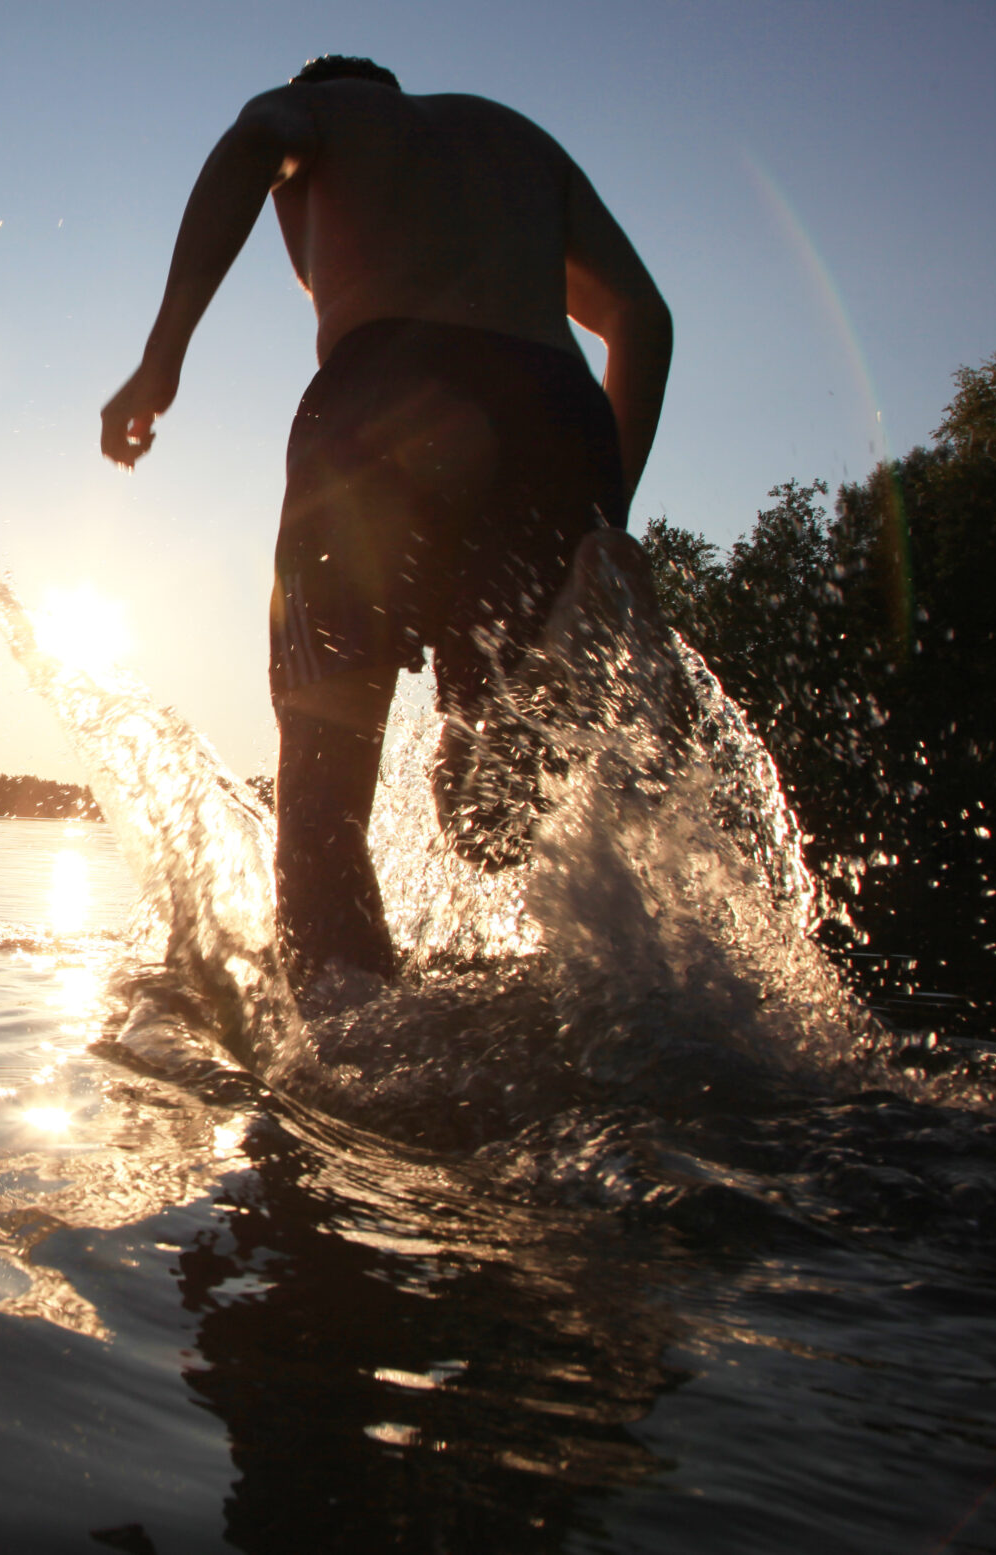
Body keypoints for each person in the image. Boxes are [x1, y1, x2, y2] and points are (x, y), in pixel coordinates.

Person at [99, 56, 671, 1005]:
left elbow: (251, 145)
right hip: (554, 417)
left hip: (383, 408)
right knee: (490, 809)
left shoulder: (321, 114)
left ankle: (356, 1049)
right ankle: (570, 612)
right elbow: (641, 320)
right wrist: (600, 516)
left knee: (323, 811)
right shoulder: (514, 136)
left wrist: (162, 360)